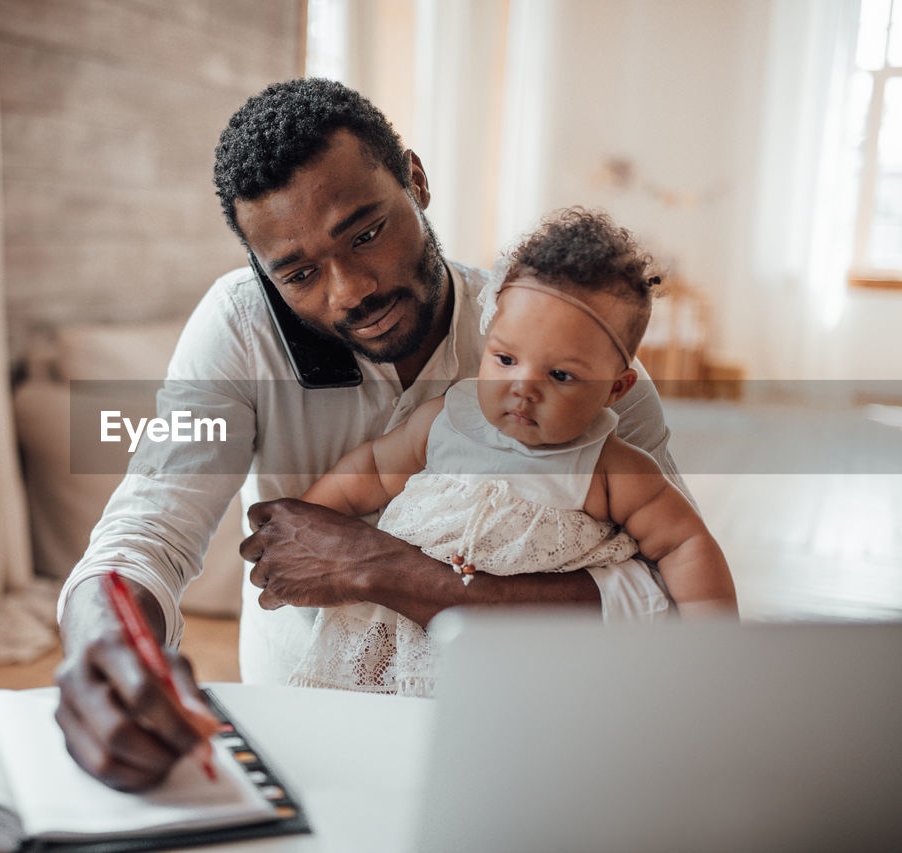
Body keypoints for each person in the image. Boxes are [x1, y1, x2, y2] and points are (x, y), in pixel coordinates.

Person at [53, 78, 685, 791]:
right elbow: (145, 531)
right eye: (298, 273)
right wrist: (106, 640)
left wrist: (386, 570)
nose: (350, 289)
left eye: (365, 234)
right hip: (307, 730)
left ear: (415, 180)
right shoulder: (239, 329)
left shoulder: (560, 340)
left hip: (523, 737)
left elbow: (664, 593)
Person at [290, 208, 738, 696]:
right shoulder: (447, 420)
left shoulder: (609, 467)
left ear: (616, 389)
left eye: (561, 376)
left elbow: (682, 544)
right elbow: (373, 469)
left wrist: (712, 650)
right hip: (399, 645)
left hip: (527, 668)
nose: (523, 388)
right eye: (505, 359)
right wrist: (308, 518)